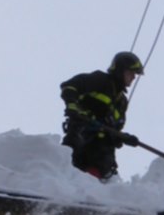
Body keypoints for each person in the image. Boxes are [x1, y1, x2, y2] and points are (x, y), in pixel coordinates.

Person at [60, 51, 144, 179]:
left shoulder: (122, 102)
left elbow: (114, 129)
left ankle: (89, 192)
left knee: (102, 170)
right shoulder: (100, 80)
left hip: (102, 152)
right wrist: (72, 106)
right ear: (120, 70)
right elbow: (69, 86)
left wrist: (123, 138)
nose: (133, 77)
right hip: (82, 137)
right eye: (131, 73)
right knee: (71, 170)